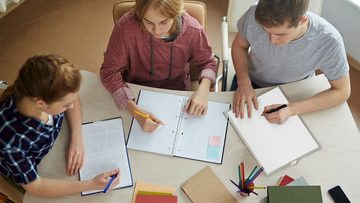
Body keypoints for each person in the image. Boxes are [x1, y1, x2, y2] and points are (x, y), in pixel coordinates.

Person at [0, 55, 120, 197]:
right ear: (41, 104)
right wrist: (91, 184)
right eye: (65, 105)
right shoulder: (11, 141)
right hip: (31, 173)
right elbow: (37, 186)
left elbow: (72, 98)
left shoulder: (46, 92)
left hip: (55, 146)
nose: (71, 105)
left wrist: (77, 137)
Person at [100, 0, 217, 133]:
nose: (156, 30)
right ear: (139, 14)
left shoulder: (193, 30)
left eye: (164, 22)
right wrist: (136, 112)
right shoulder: (125, 28)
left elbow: (208, 62)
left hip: (177, 90)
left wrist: (203, 90)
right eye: (148, 22)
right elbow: (108, 72)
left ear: (176, 13)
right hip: (135, 92)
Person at [231, 0, 350, 124]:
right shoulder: (253, 14)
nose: (272, 41)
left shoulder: (329, 41)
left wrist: (292, 109)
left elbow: (342, 91)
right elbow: (239, 46)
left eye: (280, 34)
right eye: (266, 30)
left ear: (302, 20)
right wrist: (244, 82)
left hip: (297, 92)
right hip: (250, 82)